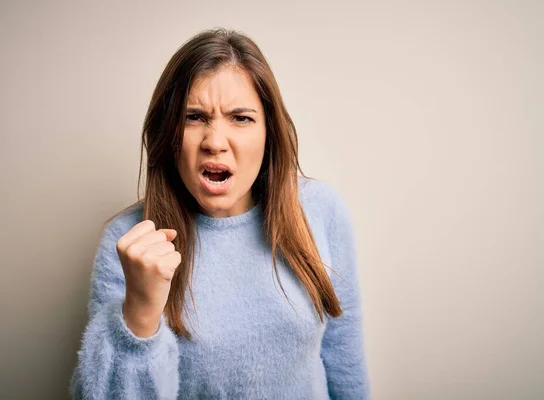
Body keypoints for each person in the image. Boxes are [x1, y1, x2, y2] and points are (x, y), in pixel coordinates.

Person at [70, 27, 370, 399]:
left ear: (269, 133)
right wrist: (141, 311)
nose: (214, 142)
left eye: (240, 118)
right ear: (169, 134)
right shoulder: (128, 243)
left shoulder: (321, 210)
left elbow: (345, 365)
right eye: (194, 117)